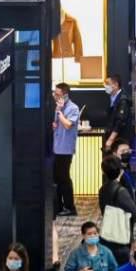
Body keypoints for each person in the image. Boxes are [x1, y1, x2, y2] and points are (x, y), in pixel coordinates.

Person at [99, 154, 136, 263]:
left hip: (107, 231)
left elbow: (103, 210)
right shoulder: (121, 191)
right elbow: (134, 212)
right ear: (120, 171)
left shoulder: (102, 189)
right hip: (121, 236)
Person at [53, 82, 81, 217]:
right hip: (55, 147)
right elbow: (55, 124)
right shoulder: (56, 107)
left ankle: (70, 207)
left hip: (65, 148)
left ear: (64, 95)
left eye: (57, 94)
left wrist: (59, 111)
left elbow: (68, 124)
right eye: (54, 93)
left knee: (64, 178)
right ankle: (58, 206)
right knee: (56, 178)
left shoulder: (73, 108)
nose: (55, 95)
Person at [104, 74, 135, 156]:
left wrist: (110, 139)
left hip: (121, 138)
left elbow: (120, 121)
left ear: (116, 84)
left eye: (108, 84)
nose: (105, 87)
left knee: (121, 159)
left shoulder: (123, 100)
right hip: (114, 137)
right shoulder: (113, 98)